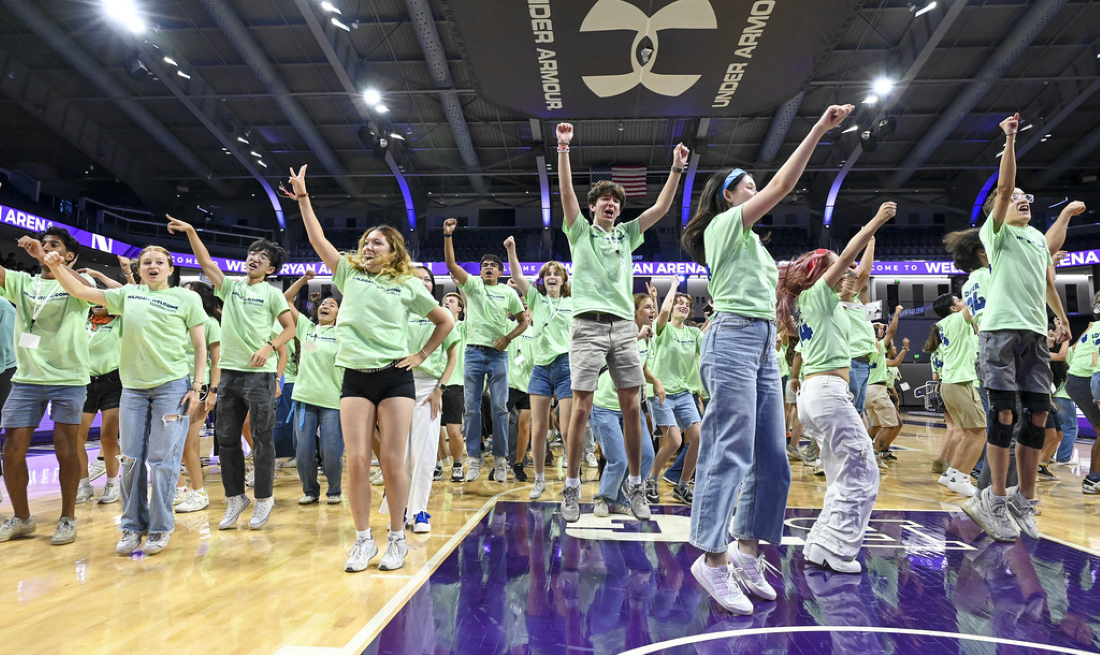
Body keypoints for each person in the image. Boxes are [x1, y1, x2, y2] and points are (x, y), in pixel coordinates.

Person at [678, 103, 854, 613]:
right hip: (730, 337)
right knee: (728, 448)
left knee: (773, 457)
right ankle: (710, 560)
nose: (757, 188)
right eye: (746, 184)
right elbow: (781, 185)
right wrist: (819, 128)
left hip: (760, 343)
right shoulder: (723, 227)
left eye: (754, 183)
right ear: (728, 196)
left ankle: (747, 551)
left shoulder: (753, 244)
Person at [288, 165, 452, 573]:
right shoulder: (349, 273)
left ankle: (397, 538)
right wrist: (304, 199)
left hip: (395, 378)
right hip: (355, 377)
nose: (368, 247)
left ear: (394, 251)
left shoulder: (409, 285)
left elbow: (444, 322)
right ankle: (363, 540)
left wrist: (420, 356)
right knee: (358, 460)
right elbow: (318, 240)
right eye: (365, 242)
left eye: (377, 243)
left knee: (394, 462)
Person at [556, 121, 689, 523]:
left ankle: (634, 485)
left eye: (615, 201)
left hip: (622, 328)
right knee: (581, 407)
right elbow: (565, 194)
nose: (610, 204)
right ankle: (572, 486)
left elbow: (662, 209)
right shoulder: (579, 231)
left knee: (633, 407)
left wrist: (676, 169)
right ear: (593, 206)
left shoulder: (628, 235)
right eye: (604, 201)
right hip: (587, 326)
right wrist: (563, 149)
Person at [44, 246, 206, 556]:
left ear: (170, 269)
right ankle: (132, 526)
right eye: (147, 263)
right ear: (140, 269)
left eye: (159, 262)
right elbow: (79, 290)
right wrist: (56, 265)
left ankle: (160, 527)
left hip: (172, 388)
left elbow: (200, 345)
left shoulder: (187, 298)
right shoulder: (128, 295)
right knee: (130, 460)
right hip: (132, 389)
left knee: (161, 461)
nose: (153, 266)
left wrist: (196, 386)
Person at [964, 113, 1071, 542]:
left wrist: (1061, 317)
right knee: (1004, 413)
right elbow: (1005, 186)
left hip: (1033, 335)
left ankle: (1024, 499)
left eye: (1028, 197)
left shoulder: (1034, 239)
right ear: (999, 209)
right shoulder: (999, 235)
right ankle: (992, 497)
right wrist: (1010, 140)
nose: (1022, 199)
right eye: (1016, 197)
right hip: (1000, 333)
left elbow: (1048, 273)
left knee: (1040, 414)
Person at [777, 201, 896, 576]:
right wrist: (874, 220)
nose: (845, 273)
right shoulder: (817, 296)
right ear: (821, 274)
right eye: (834, 267)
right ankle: (838, 549)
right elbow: (849, 258)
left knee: (842, 472)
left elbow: (858, 272)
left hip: (817, 393)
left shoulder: (819, 305)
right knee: (864, 471)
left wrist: (872, 236)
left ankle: (822, 542)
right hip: (827, 390)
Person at [167, 215, 295, 531]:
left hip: (260, 376)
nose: (254, 258)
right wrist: (192, 231)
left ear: (271, 269)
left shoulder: (273, 294)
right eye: (253, 253)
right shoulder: (231, 287)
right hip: (229, 376)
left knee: (263, 439)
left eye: (263, 257)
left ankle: (264, 498)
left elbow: (290, 329)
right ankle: (235, 497)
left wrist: (269, 346)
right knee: (226, 439)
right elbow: (206, 261)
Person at [0, 227, 93, 545]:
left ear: (70, 256)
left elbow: (83, 290)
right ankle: (22, 518)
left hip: (68, 379)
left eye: (56, 245)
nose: (46, 248)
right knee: (11, 451)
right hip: (26, 378)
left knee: (66, 449)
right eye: (44, 243)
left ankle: (67, 518)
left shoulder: (80, 284)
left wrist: (51, 261)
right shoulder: (23, 282)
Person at [442, 220, 528, 483]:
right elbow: (451, 266)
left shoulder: (508, 293)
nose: (488, 268)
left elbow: (524, 321)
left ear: (500, 272)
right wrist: (448, 235)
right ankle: (475, 459)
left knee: (500, 409)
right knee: (472, 409)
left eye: (493, 266)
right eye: (484, 266)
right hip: (473, 354)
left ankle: (501, 461)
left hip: (498, 354)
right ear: (479, 273)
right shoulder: (473, 286)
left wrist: (508, 337)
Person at [503, 239, 574, 498]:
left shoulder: (573, 302)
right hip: (541, 369)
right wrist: (512, 250)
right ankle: (540, 480)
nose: (552, 277)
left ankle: (571, 481)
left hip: (567, 365)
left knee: (566, 428)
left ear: (564, 280)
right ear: (542, 280)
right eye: (547, 274)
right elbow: (517, 275)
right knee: (539, 428)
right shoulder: (535, 297)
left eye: (557, 274)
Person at [589, 293, 660, 517]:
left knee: (647, 455)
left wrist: (651, 383)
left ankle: (621, 499)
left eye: (653, 307)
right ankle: (603, 498)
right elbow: (607, 356)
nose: (652, 311)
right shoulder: (615, 329)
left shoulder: (649, 337)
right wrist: (636, 337)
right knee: (618, 459)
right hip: (605, 405)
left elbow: (640, 367)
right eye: (647, 307)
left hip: (631, 408)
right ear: (634, 311)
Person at [282, 271, 345, 506]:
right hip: (304, 399)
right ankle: (310, 490)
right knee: (304, 452)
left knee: (331, 452)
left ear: (340, 313)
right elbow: (286, 300)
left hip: (332, 401)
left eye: (333, 304)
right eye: (324, 303)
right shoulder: (307, 329)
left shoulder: (342, 334)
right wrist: (304, 280)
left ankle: (335, 489)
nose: (326, 306)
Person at [405, 265, 459, 532]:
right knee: (401, 454)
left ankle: (420, 510)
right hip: (399, 385)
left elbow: (452, 356)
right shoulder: (399, 310)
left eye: (427, 279)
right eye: (417, 279)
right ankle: (403, 506)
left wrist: (440, 388)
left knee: (425, 453)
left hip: (429, 388)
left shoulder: (443, 315)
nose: (423, 283)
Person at [647, 280, 702, 505]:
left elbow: (708, 351)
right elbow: (665, 311)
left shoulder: (694, 333)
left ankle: (682, 485)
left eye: (686, 304)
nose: (682, 306)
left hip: (685, 393)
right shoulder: (663, 328)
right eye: (678, 303)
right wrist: (673, 286)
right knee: (674, 441)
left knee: (699, 437)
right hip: (662, 393)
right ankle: (651, 479)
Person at [174, 281, 222, 513]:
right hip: (175, 385)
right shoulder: (179, 321)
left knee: (187, 443)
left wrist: (212, 391)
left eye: (188, 290)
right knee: (176, 443)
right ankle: (181, 488)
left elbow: (217, 361)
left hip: (199, 388)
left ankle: (198, 492)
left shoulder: (210, 323)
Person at [931, 292, 984, 497]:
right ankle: (962, 478)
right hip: (959, 382)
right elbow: (975, 302)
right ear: (953, 308)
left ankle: (952, 474)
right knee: (979, 434)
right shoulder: (956, 319)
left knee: (968, 433)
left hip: (952, 383)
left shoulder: (948, 325)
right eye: (959, 301)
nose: (963, 302)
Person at [76, 302, 123, 505]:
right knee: (76, 437)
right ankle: (83, 484)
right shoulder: (83, 323)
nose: (98, 303)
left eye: (104, 299)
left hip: (114, 381)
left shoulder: (121, 322)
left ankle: (113, 483)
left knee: (108, 437)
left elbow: (130, 297)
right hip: (85, 382)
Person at [439, 292, 467, 482]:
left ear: (460, 308)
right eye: (444, 301)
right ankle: (437, 464)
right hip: (433, 382)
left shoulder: (463, 327)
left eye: (451, 301)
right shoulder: (435, 327)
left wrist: (460, 286)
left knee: (453, 430)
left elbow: (473, 311)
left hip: (454, 384)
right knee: (432, 432)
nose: (446, 303)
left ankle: (457, 464)